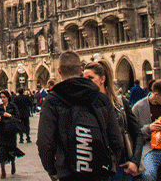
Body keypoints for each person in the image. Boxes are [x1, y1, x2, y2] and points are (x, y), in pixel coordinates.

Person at [37, 51, 123, 181]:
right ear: (81, 70)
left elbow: (45, 142)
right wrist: (111, 163)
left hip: (68, 172)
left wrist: (52, 169)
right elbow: (116, 139)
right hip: (99, 170)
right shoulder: (101, 98)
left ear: (59, 71)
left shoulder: (52, 99)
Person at [83, 61, 138, 181]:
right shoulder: (83, 105)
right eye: (84, 78)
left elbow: (137, 133)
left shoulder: (119, 103)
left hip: (120, 166)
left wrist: (135, 161)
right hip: (93, 168)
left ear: (102, 79)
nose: (85, 82)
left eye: (90, 78)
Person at [0, 90, 24, 178]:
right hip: (1, 131)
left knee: (11, 149)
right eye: (1, 97)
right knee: (2, 150)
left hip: (11, 131)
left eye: (4, 97)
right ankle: (3, 170)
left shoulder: (13, 106)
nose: (2, 99)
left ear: (8, 98)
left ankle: (13, 163)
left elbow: (18, 117)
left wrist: (10, 116)